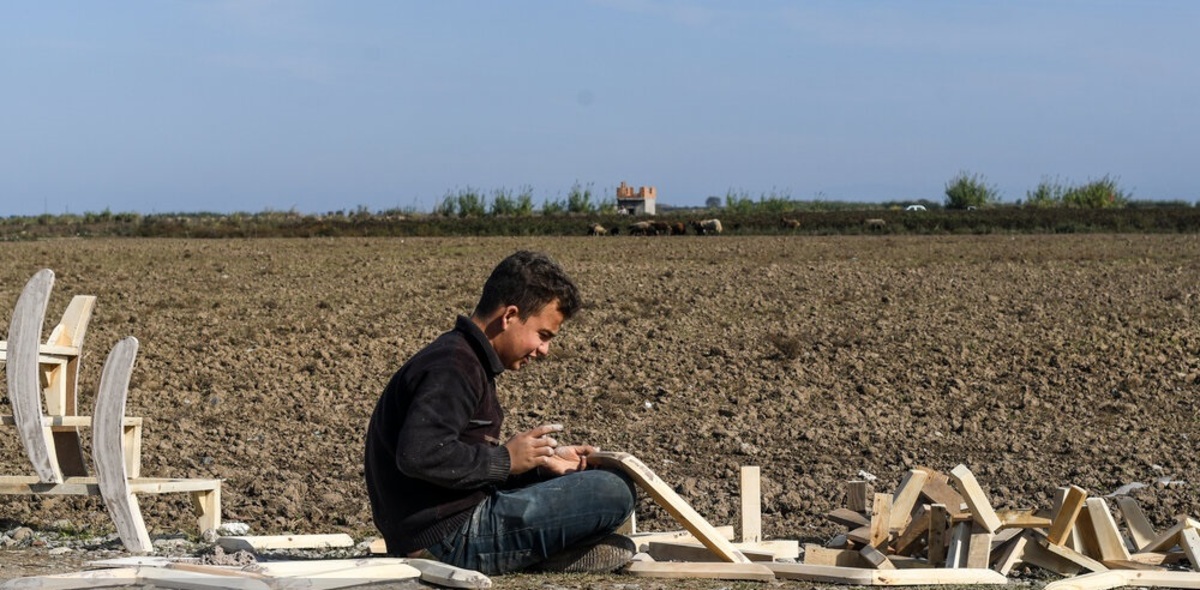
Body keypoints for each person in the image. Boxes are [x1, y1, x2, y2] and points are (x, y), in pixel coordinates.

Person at [364, 250, 636, 575]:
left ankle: (540, 551)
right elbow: (419, 455)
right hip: (445, 540)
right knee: (612, 490)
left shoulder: (465, 359)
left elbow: (457, 461)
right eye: (543, 335)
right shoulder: (452, 366)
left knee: (600, 483)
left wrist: (539, 464)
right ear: (509, 316)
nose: (545, 350)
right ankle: (537, 554)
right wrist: (505, 460)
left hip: (447, 527)